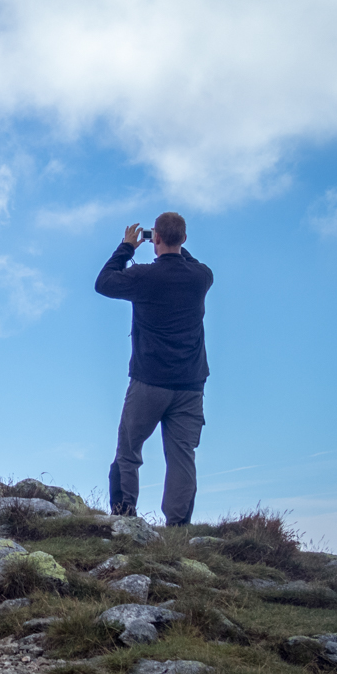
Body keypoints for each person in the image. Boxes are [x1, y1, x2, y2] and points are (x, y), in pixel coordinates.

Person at [95, 213, 213, 526]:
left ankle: (125, 520)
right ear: (185, 240)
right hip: (191, 386)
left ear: (155, 238)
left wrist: (127, 247)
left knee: (128, 451)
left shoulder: (144, 276)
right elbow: (188, 261)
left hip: (148, 382)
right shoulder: (202, 277)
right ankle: (177, 531)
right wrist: (172, 247)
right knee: (182, 458)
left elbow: (104, 282)